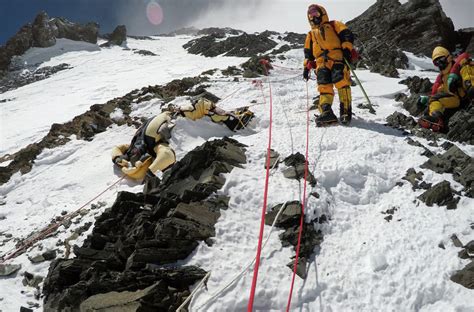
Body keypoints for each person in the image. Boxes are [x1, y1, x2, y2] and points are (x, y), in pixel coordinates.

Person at [111, 97, 254, 180]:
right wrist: (151, 170)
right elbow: (167, 156)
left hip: (172, 115)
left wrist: (117, 158)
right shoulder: (153, 147)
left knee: (202, 106)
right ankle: (234, 121)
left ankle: (230, 117)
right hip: (179, 117)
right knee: (203, 105)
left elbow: (118, 148)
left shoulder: (131, 148)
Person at [303, 4, 355, 125]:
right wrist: (306, 67)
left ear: (322, 13)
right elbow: (308, 53)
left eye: (315, 13)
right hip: (321, 63)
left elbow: (346, 34)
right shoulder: (310, 35)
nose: (313, 17)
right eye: (310, 15)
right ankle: (327, 113)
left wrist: (346, 49)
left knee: (342, 82)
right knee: (324, 87)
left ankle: (345, 112)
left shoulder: (334, 24)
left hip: (337, 58)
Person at [418, 46, 472, 132]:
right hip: (454, 99)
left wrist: (458, 81)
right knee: (431, 104)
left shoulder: (459, 67)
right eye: (436, 62)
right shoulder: (443, 77)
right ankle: (434, 122)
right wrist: (428, 99)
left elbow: (465, 58)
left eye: (441, 60)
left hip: (463, 99)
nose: (439, 63)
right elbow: (439, 92)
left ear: (449, 57)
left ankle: (436, 121)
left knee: (436, 99)